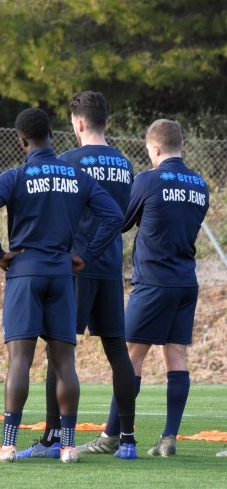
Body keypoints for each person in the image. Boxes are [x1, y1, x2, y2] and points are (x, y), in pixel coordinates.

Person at [0, 108, 123, 464]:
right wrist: (85, 254)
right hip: (62, 274)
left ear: (21, 140)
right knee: (65, 362)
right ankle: (68, 447)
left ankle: (8, 446)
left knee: (20, 360)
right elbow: (114, 216)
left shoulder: (15, 176)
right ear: (52, 136)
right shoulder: (77, 176)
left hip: (24, 272)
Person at [19, 91, 137, 460]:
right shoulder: (125, 163)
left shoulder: (68, 161)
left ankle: (52, 440)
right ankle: (128, 440)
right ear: (106, 121)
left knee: (60, 350)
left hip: (76, 265)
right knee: (118, 351)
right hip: (111, 267)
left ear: (79, 123)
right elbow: (120, 217)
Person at [107, 119, 208, 457]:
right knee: (175, 355)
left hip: (153, 281)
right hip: (186, 282)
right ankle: (168, 438)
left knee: (130, 354)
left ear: (155, 148)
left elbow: (120, 222)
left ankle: (110, 435)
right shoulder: (200, 185)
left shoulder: (148, 180)